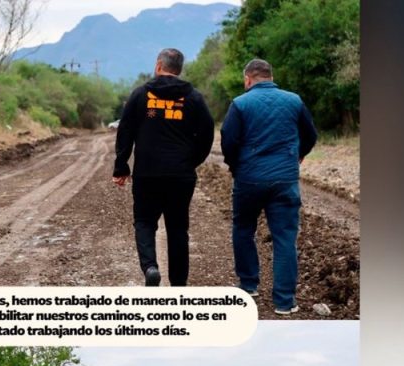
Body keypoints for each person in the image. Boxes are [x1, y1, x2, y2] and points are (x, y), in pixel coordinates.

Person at [220, 58, 319, 315]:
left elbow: (228, 141)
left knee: (243, 229)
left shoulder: (240, 104)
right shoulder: (294, 101)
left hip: (249, 179)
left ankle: (249, 286)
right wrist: (298, 154)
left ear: (248, 79)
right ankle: (285, 302)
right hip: (285, 179)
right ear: (270, 77)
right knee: (284, 237)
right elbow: (310, 135)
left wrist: (235, 167)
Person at [113, 48, 216, 287]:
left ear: (159, 65)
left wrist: (121, 167)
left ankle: (150, 267)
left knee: (145, 222)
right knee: (178, 228)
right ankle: (179, 285)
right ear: (178, 69)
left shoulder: (140, 95)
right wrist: (192, 161)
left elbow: (125, 131)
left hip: (147, 173)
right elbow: (207, 133)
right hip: (181, 175)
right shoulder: (193, 97)